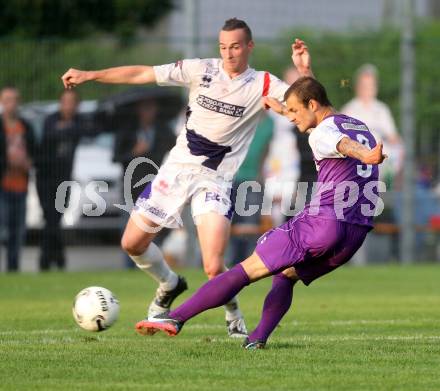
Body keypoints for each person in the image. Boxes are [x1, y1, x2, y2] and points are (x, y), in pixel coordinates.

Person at [61, 18, 313, 337]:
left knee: (212, 265)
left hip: (215, 181)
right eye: (223, 47)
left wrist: (303, 74)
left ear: (249, 46)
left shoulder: (263, 83)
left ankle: (233, 314)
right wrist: (90, 75)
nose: (229, 53)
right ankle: (169, 283)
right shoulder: (199, 69)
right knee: (132, 243)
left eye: (235, 46)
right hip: (176, 171)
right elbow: (143, 73)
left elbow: (306, 104)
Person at [135, 77, 387, 349]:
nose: (289, 117)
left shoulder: (322, 133)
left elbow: (341, 143)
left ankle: (175, 318)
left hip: (323, 225)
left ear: (312, 104)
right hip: (354, 235)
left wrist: (364, 155)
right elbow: (323, 116)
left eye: (293, 111)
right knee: (287, 274)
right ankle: (257, 340)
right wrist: (285, 101)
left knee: (245, 271)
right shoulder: (356, 124)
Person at [36, 89, 92, 271]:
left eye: (72, 102)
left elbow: (91, 130)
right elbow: (49, 136)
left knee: (55, 218)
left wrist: (67, 129)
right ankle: (50, 260)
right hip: (45, 177)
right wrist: (67, 130)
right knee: (49, 217)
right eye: (65, 102)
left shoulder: (78, 122)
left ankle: (54, 258)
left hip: (64, 179)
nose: (68, 106)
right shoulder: (51, 119)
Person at [341, 64, 403, 185]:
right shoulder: (349, 110)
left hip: (379, 163)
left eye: (371, 85)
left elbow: (393, 137)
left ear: (376, 87)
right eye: (364, 86)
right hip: (356, 162)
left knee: (398, 149)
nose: (368, 89)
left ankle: (389, 186)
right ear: (358, 87)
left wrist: (398, 148)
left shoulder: (382, 110)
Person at [0, 86, 36, 272]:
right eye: (6, 100)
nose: (11, 104)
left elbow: (36, 152)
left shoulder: (26, 127)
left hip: (20, 185)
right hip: (2, 186)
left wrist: (28, 162)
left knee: (17, 231)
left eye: (14, 100)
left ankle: (13, 269)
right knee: (2, 230)